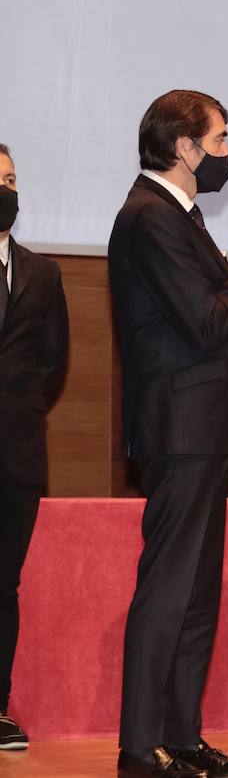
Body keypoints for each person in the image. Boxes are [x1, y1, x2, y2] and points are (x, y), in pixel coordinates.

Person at [110, 90, 228, 778]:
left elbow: (218, 305)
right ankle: (140, 747)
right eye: (219, 141)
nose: (225, 153)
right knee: (169, 586)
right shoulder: (148, 218)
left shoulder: (175, 218)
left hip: (206, 429)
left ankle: (182, 738)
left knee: (196, 589)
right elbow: (211, 321)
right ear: (184, 147)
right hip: (180, 429)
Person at [0, 144, 69, 753]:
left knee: (3, 585)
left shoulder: (43, 273)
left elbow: (52, 363)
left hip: (16, 454)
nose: (6, 189)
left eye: (11, 179)